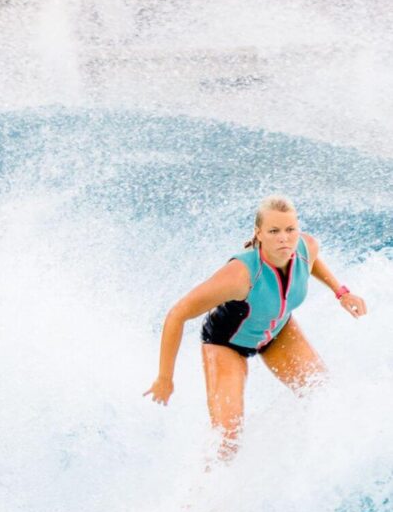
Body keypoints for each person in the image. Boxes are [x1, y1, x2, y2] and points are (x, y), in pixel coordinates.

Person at [144, 195, 367, 457]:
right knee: (227, 440)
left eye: (290, 229)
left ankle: (308, 459)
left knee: (320, 392)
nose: (284, 238)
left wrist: (341, 292)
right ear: (258, 234)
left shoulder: (306, 247)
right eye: (274, 231)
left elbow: (311, 260)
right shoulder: (240, 275)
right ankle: (203, 494)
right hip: (228, 344)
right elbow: (177, 314)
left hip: (277, 331)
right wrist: (164, 377)